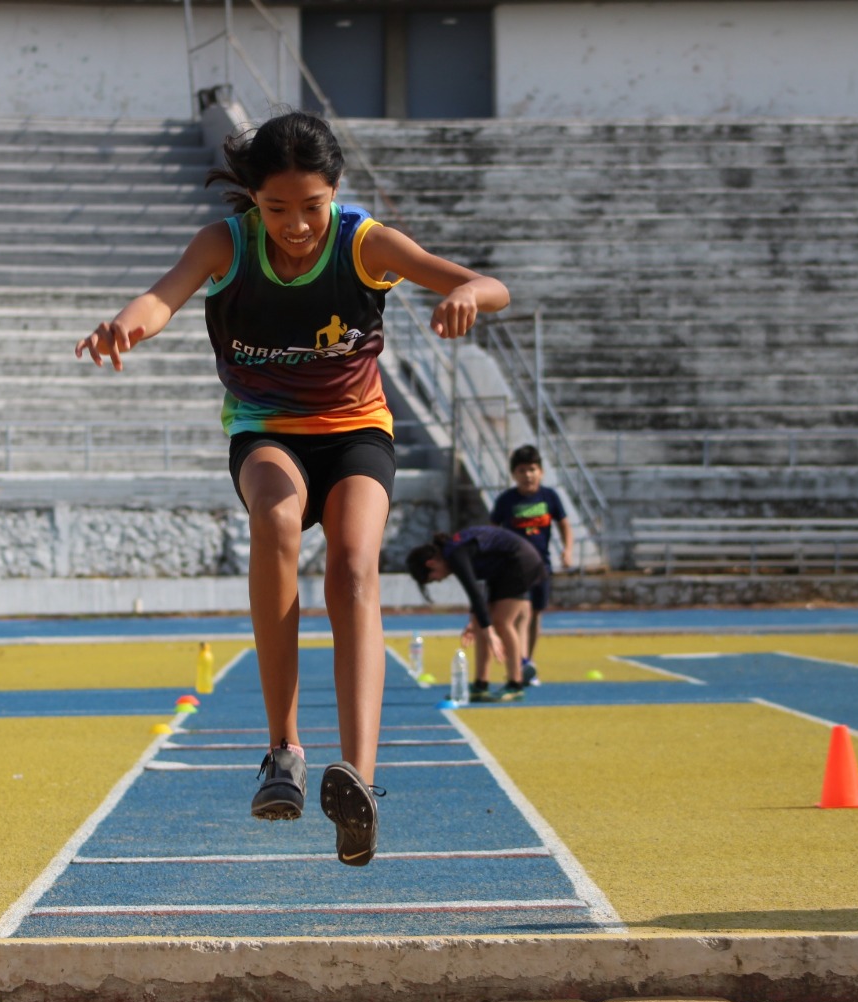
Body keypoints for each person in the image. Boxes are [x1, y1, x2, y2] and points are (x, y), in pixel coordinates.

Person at [75, 111, 508, 866]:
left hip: (355, 433)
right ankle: (284, 751)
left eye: (312, 207)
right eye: (278, 210)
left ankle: (361, 784)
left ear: (334, 193)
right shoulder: (227, 244)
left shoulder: (363, 242)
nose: (298, 226)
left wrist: (468, 296)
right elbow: (161, 298)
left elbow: (485, 282)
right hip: (267, 428)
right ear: (253, 200)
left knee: (352, 566)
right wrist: (125, 327)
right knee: (276, 521)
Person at [405, 527, 547, 702]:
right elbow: (478, 591)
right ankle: (481, 684)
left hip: (522, 562)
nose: (440, 580)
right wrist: (475, 622)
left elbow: (474, 591)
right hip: (504, 569)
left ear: (431, 564)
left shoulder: (455, 554)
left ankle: (515, 684)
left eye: (434, 578)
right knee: (482, 623)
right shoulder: (454, 553)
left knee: (502, 622)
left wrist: (491, 633)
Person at [490, 444, 574, 686]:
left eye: (532, 469)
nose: (528, 475)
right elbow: (493, 529)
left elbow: (565, 525)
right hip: (514, 568)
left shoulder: (549, 497)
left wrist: (567, 551)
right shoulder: (507, 500)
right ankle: (521, 662)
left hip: (542, 565)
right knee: (519, 615)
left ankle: (529, 661)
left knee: (536, 613)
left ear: (541, 472)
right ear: (514, 474)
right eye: (522, 470)